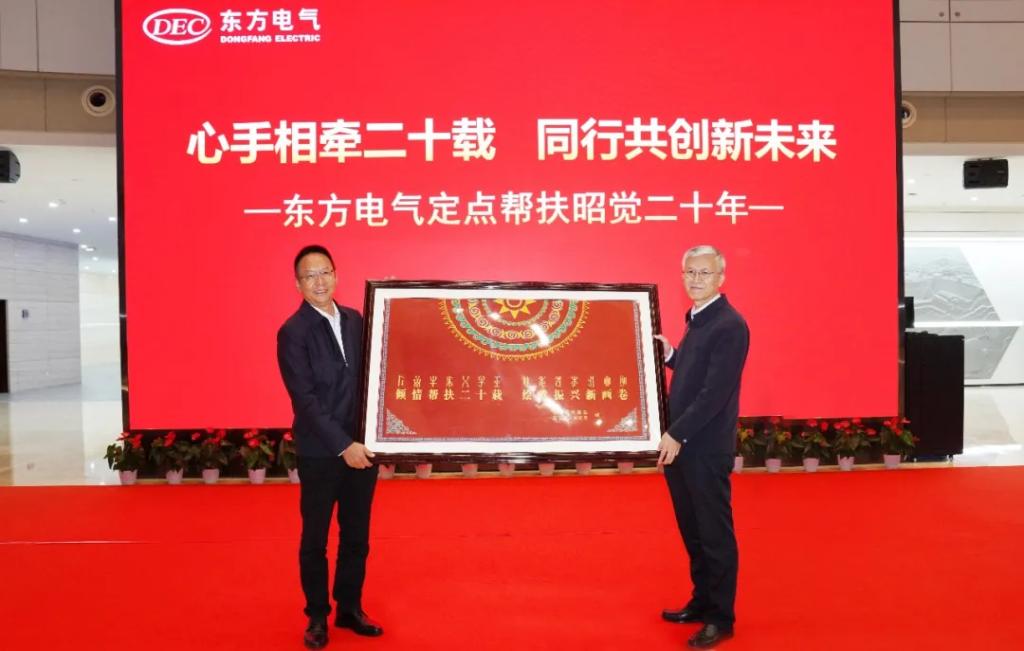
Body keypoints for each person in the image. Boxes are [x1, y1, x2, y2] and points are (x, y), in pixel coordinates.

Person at [277, 244, 383, 650]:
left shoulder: (357, 320)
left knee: (356, 535)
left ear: (336, 275)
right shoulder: (293, 332)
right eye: (310, 275)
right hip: (321, 452)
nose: (319, 281)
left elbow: (374, 375)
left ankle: (350, 608)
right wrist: (343, 445)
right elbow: (305, 400)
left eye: (325, 272)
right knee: (315, 539)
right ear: (298, 284)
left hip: (363, 449)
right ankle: (317, 616)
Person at [654, 244, 750, 649]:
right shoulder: (698, 319)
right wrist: (671, 355)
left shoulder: (730, 325)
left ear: (720, 278)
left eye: (704, 273)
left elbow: (714, 393)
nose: (696, 279)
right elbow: (696, 373)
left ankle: (720, 618)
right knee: (692, 530)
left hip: (704, 448)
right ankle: (701, 601)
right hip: (682, 447)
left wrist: (676, 433)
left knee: (714, 534)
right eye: (690, 272)